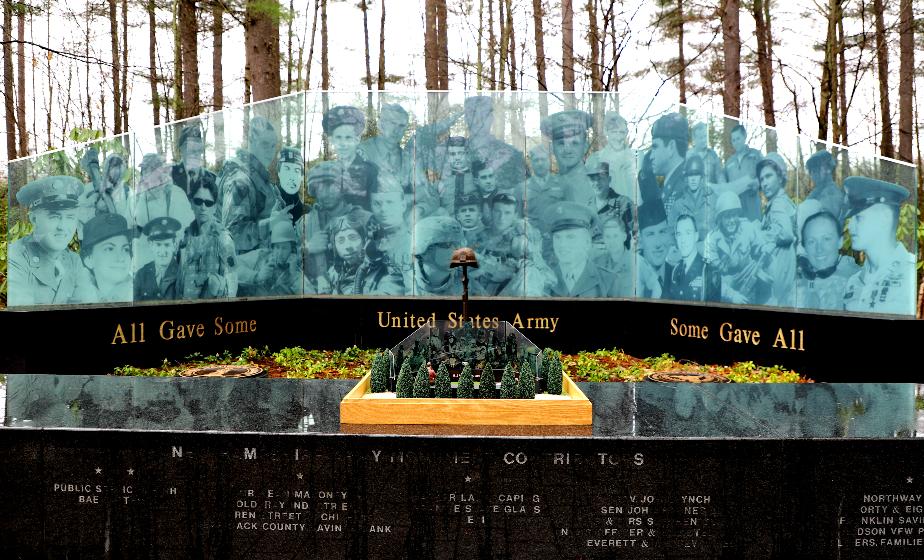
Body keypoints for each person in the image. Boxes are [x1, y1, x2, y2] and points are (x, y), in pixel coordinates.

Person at [7, 176, 92, 306]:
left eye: (70, 217)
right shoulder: (16, 256)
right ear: (34, 219)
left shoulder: (74, 261)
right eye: (54, 216)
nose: (63, 227)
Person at [842, 176, 915, 315]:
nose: (850, 227)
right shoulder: (853, 282)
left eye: (858, 218)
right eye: (850, 219)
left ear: (884, 219)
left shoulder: (910, 274)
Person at [217, 115, 283, 253]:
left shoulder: (261, 179)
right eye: (265, 144)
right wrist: (271, 224)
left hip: (264, 265)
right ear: (251, 142)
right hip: (243, 270)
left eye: (273, 146)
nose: (270, 151)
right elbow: (232, 236)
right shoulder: (240, 181)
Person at [179, 177, 238, 299]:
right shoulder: (185, 237)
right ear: (191, 203)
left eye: (209, 203)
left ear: (215, 207)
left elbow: (231, 286)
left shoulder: (223, 239)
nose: (203, 207)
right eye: (198, 201)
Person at [794, 200, 858, 311]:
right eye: (811, 241)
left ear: (840, 241)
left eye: (826, 239)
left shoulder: (858, 279)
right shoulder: (795, 281)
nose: (819, 249)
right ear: (804, 246)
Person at [542, 201, 615, 297]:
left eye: (570, 237)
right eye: (558, 237)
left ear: (587, 242)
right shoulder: (543, 280)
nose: (562, 244)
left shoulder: (609, 281)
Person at [355, 175, 412, 295]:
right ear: (371, 206)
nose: (384, 209)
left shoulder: (414, 241)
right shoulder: (371, 240)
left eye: (390, 202)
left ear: (403, 205)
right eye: (377, 203)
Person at [704, 191, 762, 304]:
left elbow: (763, 247)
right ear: (720, 219)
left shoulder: (747, 228)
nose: (731, 221)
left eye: (734, 215)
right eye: (727, 217)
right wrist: (732, 296)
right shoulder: (711, 240)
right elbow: (712, 279)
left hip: (749, 279)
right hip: (724, 288)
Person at [460, 95, 527, 194]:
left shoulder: (512, 155)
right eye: (473, 114)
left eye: (484, 114)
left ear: (491, 118)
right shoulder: (454, 155)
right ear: (466, 119)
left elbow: (525, 194)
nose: (479, 120)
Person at [754, 153, 796, 306]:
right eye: (762, 179)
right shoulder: (779, 203)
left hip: (781, 287)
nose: (764, 183)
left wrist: (757, 234)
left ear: (780, 177)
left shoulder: (778, 203)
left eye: (768, 176)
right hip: (782, 282)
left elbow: (786, 234)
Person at [538, 109, 595, 210]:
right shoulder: (545, 189)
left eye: (575, 143)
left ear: (585, 146)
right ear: (552, 149)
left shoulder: (597, 185)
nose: (567, 150)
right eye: (561, 143)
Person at [323, 105, 378, 209]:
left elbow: (378, 207)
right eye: (338, 137)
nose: (343, 143)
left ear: (357, 140)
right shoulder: (328, 171)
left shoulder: (371, 171)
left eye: (348, 138)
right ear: (332, 140)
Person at [74, 213, 134, 303]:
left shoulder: (140, 295)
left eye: (125, 249)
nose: (120, 258)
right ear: (88, 259)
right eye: (109, 249)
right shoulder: (78, 297)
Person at [663, 213, 721, 302]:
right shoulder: (675, 271)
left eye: (688, 233)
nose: (683, 240)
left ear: (696, 236)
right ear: (676, 238)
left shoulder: (709, 270)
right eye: (679, 234)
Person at [134, 152, 195, 232]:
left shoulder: (176, 193)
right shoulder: (142, 196)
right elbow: (139, 223)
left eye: (149, 170)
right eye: (144, 171)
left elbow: (186, 226)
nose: (145, 175)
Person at [358, 103, 413, 187]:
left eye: (401, 126)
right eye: (392, 123)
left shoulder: (407, 159)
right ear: (381, 124)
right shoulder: (363, 151)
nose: (396, 130)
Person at [641, 112, 688, 209]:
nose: (651, 157)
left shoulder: (685, 187)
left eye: (655, 147)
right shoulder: (669, 183)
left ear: (671, 147)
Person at [586, 111, 636, 199]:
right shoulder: (594, 159)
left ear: (626, 132)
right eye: (614, 132)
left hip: (631, 209)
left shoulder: (635, 157)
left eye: (622, 132)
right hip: (605, 210)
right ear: (606, 132)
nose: (618, 137)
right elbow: (587, 191)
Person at [667, 154, 715, 245]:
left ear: (701, 177)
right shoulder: (678, 203)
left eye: (696, 174)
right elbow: (670, 231)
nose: (693, 179)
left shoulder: (712, 199)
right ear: (686, 178)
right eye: (690, 175)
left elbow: (718, 228)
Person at [413, 216, 465, 296]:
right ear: (423, 251)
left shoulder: (468, 286)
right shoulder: (396, 287)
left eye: (456, 244)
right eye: (445, 244)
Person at [720, 124, 762, 222]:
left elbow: (765, 176)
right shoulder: (729, 161)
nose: (735, 143)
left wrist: (757, 183)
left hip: (753, 211)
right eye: (733, 140)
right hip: (735, 214)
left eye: (738, 138)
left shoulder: (756, 155)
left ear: (744, 137)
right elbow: (722, 180)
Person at [134, 216, 182, 301]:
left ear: (174, 246)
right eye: (158, 245)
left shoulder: (182, 274)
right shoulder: (141, 275)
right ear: (151, 245)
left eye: (167, 245)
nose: (162, 251)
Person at [326, 210, 370, 295]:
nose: (347, 246)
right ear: (334, 246)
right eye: (341, 240)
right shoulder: (333, 274)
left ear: (365, 240)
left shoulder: (376, 271)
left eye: (353, 238)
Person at [171, 123, 217, 202]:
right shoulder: (170, 175)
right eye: (190, 147)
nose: (195, 152)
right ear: (181, 149)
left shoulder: (212, 178)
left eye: (198, 147)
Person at [636, 200, 672, 298]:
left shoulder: (678, 275)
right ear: (640, 240)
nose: (658, 243)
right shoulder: (631, 277)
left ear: (669, 234)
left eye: (662, 232)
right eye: (650, 234)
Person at [594, 214, 634, 297]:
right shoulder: (597, 263)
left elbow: (655, 288)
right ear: (603, 239)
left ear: (624, 237)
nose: (612, 241)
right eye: (608, 237)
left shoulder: (635, 262)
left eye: (615, 236)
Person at [586, 161, 633, 229]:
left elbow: (636, 234)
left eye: (600, 178)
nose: (596, 183)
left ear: (609, 179)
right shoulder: (586, 206)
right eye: (592, 179)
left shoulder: (625, 203)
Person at [434, 136, 475, 214]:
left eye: (461, 153)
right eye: (453, 154)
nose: (457, 158)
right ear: (448, 157)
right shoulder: (441, 182)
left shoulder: (476, 179)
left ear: (467, 155)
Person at [805, 149, 845, 221]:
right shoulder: (817, 191)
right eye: (811, 170)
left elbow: (826, 222)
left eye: (817, 168)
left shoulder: (831, 193)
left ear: (828, 169)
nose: (813, 173)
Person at [276, 146, 307, 223]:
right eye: (287, 169)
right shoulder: (263, 207)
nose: (291, 176)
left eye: (297, 171)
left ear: (302, 176)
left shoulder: (308, 214)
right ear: (279, 172)